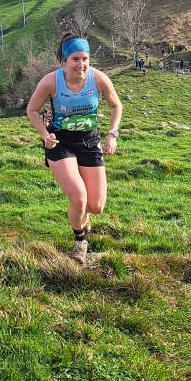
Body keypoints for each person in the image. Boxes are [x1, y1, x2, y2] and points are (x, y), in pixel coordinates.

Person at [25, 32, 122, 264]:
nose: (81, 64)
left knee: (96, 206)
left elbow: (116, 105)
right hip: (60, 142)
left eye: (85, 59)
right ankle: (80, 241)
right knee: (79, 198)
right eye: (75, 59)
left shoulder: (99, 79)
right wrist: (45, 135)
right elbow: (32, 110)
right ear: (65, 61)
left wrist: (112, 134)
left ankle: (83, 218)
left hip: (89, 140)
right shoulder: (51, 81)